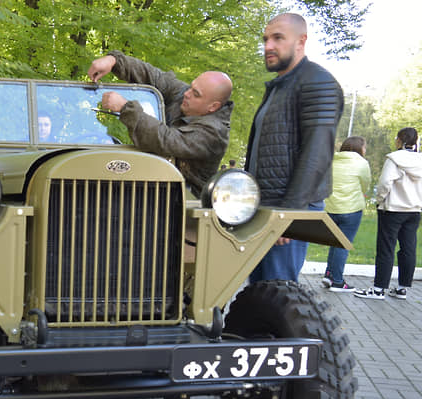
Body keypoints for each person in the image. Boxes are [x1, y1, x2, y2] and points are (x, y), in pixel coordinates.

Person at [245, 13, 344, 283]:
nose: (268, 46)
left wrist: (289, 214)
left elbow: (318, 153)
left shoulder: (317, 82)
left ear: (301, 41)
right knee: (258, 295)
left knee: (279, 295)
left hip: (289, 209)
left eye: (278, 38)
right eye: (265, 39)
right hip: (266, 208)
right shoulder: (280, 86)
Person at [87, 52, 233, 196]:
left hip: (180, 200)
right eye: (191, 87)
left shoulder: (214, 133)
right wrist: (115, 61)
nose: (187, 94)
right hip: (152, 182)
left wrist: (126, 108)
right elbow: (155, 77)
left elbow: (166, 140)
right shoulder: (184, 95)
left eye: (196, 94)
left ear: (213, 107)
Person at [354, 127, 422, 300]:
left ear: (399, 140)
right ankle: (402, 288)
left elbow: (385, 183)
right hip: (414, 211)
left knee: (386, 248)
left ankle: (378, 289)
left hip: (392, 209)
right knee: (408, 248)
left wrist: (380, 200)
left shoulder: (394, 159)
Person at [321, 136, 371, 292]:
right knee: (343, 245)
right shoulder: (362, 163)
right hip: (351, 209)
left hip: (330, 207)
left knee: (334, 242)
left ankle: (329, 275)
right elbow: (365, 185)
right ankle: (337, 281)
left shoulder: (331, 160)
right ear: (360, 149)